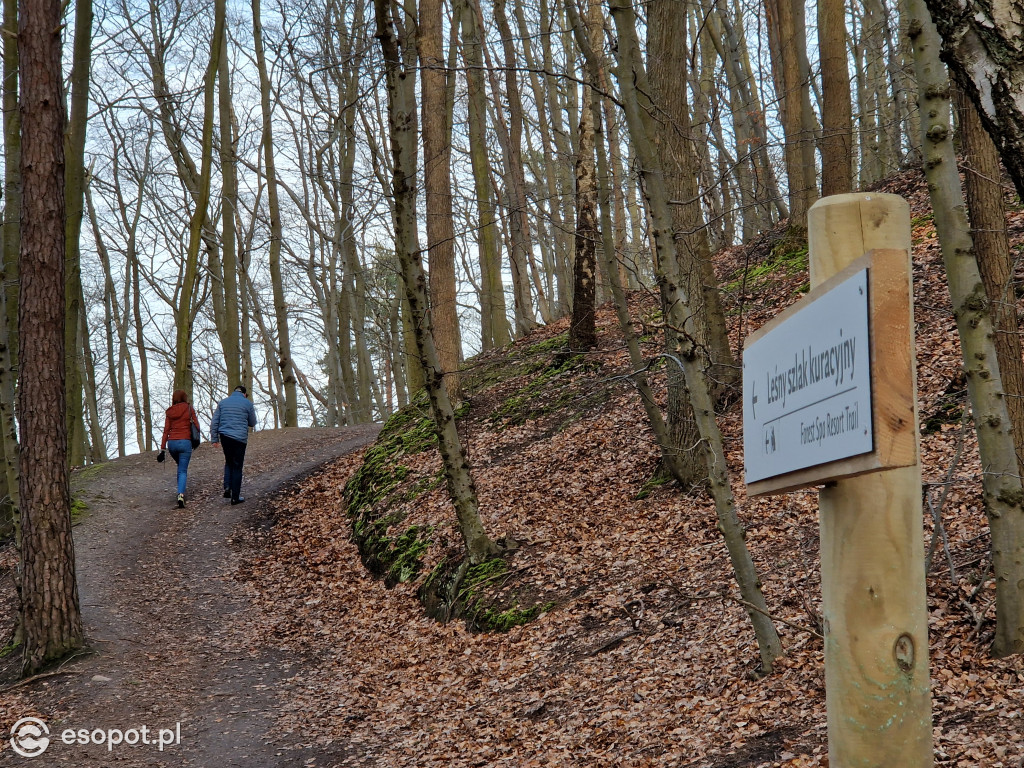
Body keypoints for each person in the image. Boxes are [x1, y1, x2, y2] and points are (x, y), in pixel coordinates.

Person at [210, 384, 257, 505]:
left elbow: (215, 422)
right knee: (237, 466)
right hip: (240, 438)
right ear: (244, 394)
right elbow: (252, 422)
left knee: (229, 461)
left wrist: (215, 438)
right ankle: (235, 497)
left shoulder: (222, 403)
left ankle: (227, 487)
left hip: (225, 436)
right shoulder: (248, 403)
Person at [158, 389, 202, 508]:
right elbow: (197, 426)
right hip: (185, 442)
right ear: (184, 397)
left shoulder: (170, 412)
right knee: (183, 470)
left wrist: (162, 449)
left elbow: (166, 431)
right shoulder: (188, 408)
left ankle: (180, 491)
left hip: (172, 444)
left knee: (180, 467)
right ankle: (180, 495)